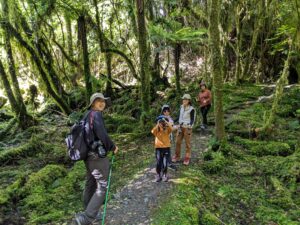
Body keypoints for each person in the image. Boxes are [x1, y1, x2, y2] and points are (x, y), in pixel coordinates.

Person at [73, 93, 118, 225]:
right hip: (97, 156)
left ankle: (88, 211)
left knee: (91, 183)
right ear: (93, 103)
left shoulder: (86, 115)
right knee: (103, 186)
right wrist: (112, 146)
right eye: (99, 101)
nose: (102, 103)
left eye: (103, 101)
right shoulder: (96, 114)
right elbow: (102, 133)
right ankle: (87, 217)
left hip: (88, 156)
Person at [172, 94, 196, 166]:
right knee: (177, 141)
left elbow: (192, 119)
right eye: (183, 99)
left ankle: (187, 157)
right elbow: (179, 116)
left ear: (189, 101)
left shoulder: (192, 109)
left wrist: (190, 126)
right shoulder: (181, 107)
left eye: (185, 99)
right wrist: (172, 121)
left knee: (187, 143)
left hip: (187, 127)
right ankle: (177, 156)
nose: (184, 101)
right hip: (180, 127)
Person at [151, 115, 173, 182]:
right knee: (158, 162)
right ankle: (158, 175)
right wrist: (158, 124)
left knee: (165, 162)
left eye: (163, 122)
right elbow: (152, 131)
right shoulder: (157, 130)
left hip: (166, 147)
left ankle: (164, 175)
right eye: (161, 122)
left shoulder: (167, 129)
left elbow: (171, 129)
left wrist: (166, 121)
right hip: (158, 148)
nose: (162, 123)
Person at [161, 104, 177, 171]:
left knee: (167, 150)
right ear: (163, 112)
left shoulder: (170, 118)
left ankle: (167, 163)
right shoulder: (162, 119)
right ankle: (168, 164)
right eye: (165, 111)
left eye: (167, 110)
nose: (166, 112)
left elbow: (172, 126)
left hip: (169, 137)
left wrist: (175, 127)